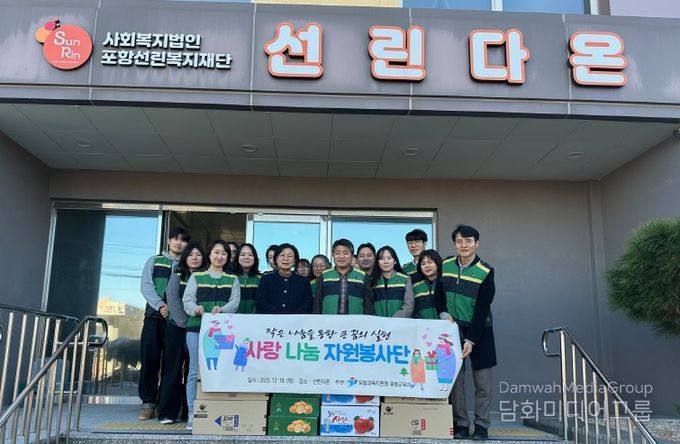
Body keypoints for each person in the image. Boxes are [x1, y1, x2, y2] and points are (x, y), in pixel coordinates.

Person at [435, 225, 496, 440]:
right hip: (452, 329)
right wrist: (442, 312)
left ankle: (481, 426)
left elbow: (483, 307)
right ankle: (460, 423)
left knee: (482, 382)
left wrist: (471, 338)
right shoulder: (447, 264)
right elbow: (438, 294)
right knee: (455, 380)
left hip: (480, 329)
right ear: (455, 244)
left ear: (476, 243)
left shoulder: (486, 271)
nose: (464, 245)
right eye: (459, 241)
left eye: (468, 241)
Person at [182, 240, 241, 431]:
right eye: (216, 252)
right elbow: (187, 299)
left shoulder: (232, 279)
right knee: (194, 370)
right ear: (209, 255)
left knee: (220, 368)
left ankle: (216, 411)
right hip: (196, 329)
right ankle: (192, 414)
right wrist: (194, 309)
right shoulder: (197, 276)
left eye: (224, 253)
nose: (219, 256)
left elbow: (235, 301)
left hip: (222, 333)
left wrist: (223, 310)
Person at [137, 227, 190, 421]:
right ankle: (148, 404)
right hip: (154, 318)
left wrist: (174, 310)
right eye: (175, 238)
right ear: (168, 241)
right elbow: (146, 286)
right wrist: (161, 305)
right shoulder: (155, 261)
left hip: (176, 322)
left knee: (172, 365)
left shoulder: (187, 266)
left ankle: (165, 404)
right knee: (149, 360)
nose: (178, 243)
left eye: (183, 240)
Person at [159, 242, 205, 425]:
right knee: (173, 369)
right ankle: (167, 412)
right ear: (185, 257)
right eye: (191, 254)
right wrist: (185, 322)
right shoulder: (178, 273)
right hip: (177, 326)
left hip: (198, 328)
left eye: (198, 254)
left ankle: (188, 412)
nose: (194, 258)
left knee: (193, 370)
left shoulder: (205, 276)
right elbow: (172, 297)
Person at [313, 239, 374, 315]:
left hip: (355, 321)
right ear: (333, 255)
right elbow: (317, 303)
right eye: (337, 253)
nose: (341, 257)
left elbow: (368, 306)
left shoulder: (363, 276)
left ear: (352, 256)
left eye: (345, 253)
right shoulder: (324, 275)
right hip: (329, 321)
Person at [256, 243, 313, 314]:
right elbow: (261, 302)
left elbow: (308, 303)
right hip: (271, 319)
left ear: (295, 260)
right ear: (276, 259)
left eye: (290, 256)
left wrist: (293, 317)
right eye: (282, 255)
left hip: (297, 320)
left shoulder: (303, 282)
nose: (286, 259)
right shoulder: (266, 279)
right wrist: (279, 316)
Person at [370, 246, 414, 318]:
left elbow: (409, 303)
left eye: (389, 258)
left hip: (399, 322)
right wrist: (377, 320)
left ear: (395, 261)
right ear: (377, 262)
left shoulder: (405, 279)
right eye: (381, 258)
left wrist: (395, 320)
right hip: (377, 323)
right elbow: (369, 304)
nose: (385, 261)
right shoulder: (372, 281)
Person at [412, 249, 443, 319]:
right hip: (423, 325)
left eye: (430, 262)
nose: (427, 266)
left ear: (437, 263)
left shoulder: (445, 283)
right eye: (423, 264)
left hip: (446, 325)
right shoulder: (416, 287)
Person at [235, 243, 261, 314]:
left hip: (255, 318)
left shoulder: (261, 279)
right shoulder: (231, 278)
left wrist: (251, 316)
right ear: (237, 257)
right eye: (243, 255)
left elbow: (261, 301)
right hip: (234, 318)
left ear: (255, 258)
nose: (246, 257)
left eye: (250, 255)